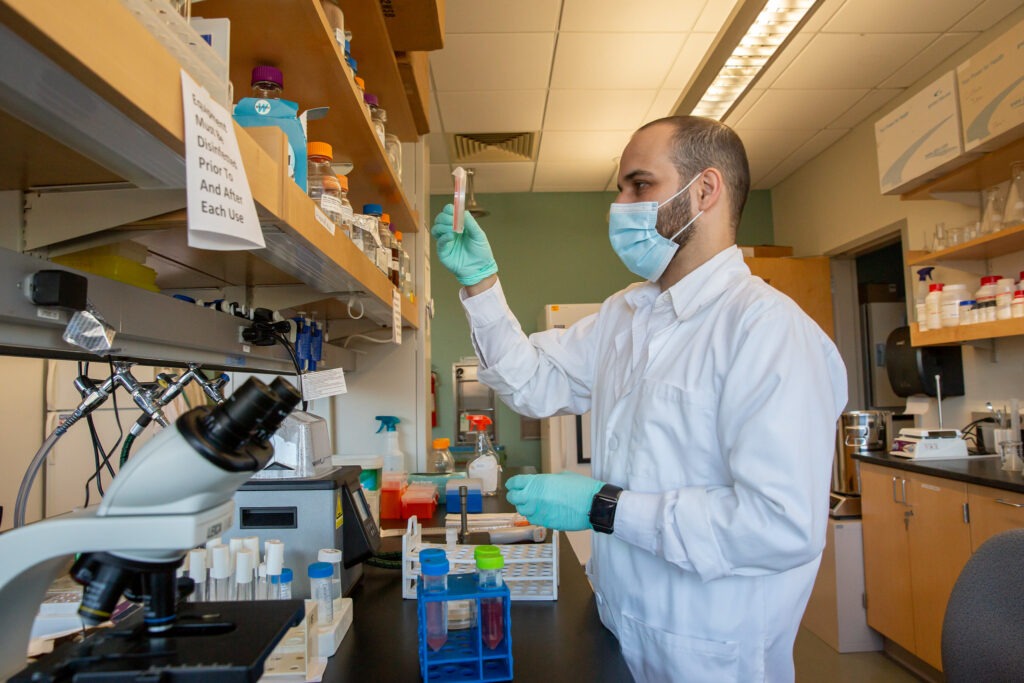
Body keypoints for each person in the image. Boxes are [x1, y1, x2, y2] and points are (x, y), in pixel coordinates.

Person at [431, 116, 847, 682]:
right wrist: (481, 282)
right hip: (614, 628)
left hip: (707, 654)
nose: (621, 205)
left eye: (640, 185)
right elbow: (532, 381)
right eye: (621, 189)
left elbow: (779, 525)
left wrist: (606, 507)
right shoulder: (628, 313)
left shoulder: (768, 332)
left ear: (704, 190)